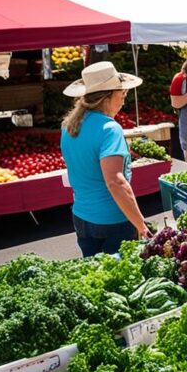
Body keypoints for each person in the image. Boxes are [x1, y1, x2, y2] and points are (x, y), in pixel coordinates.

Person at [60, 61, 149, 256]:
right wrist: (140, 224)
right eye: (122, 94)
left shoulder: (68, 126)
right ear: (107, 97)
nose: (123, 100)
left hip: (82, 218)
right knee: (121, 280)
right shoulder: (110, 129)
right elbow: (116, 182)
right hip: (113, 220)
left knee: (94, 277)